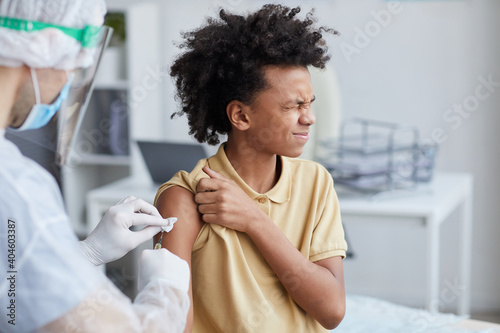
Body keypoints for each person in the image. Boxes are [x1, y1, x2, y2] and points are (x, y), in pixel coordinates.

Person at [154, 4, 348, 332]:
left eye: (309, 103)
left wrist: (254, 220)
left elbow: (332, 311)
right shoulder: (184, 200)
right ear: (241, 116)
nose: (309, 117)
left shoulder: (316, 182)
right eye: (293, 106)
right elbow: (174, 326)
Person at [0, 1, 189, 332]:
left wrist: (84, 253)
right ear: (45, 48)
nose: (68, 81)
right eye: (73, 65)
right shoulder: (15, 187)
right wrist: (167, 290)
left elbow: (11, 290)